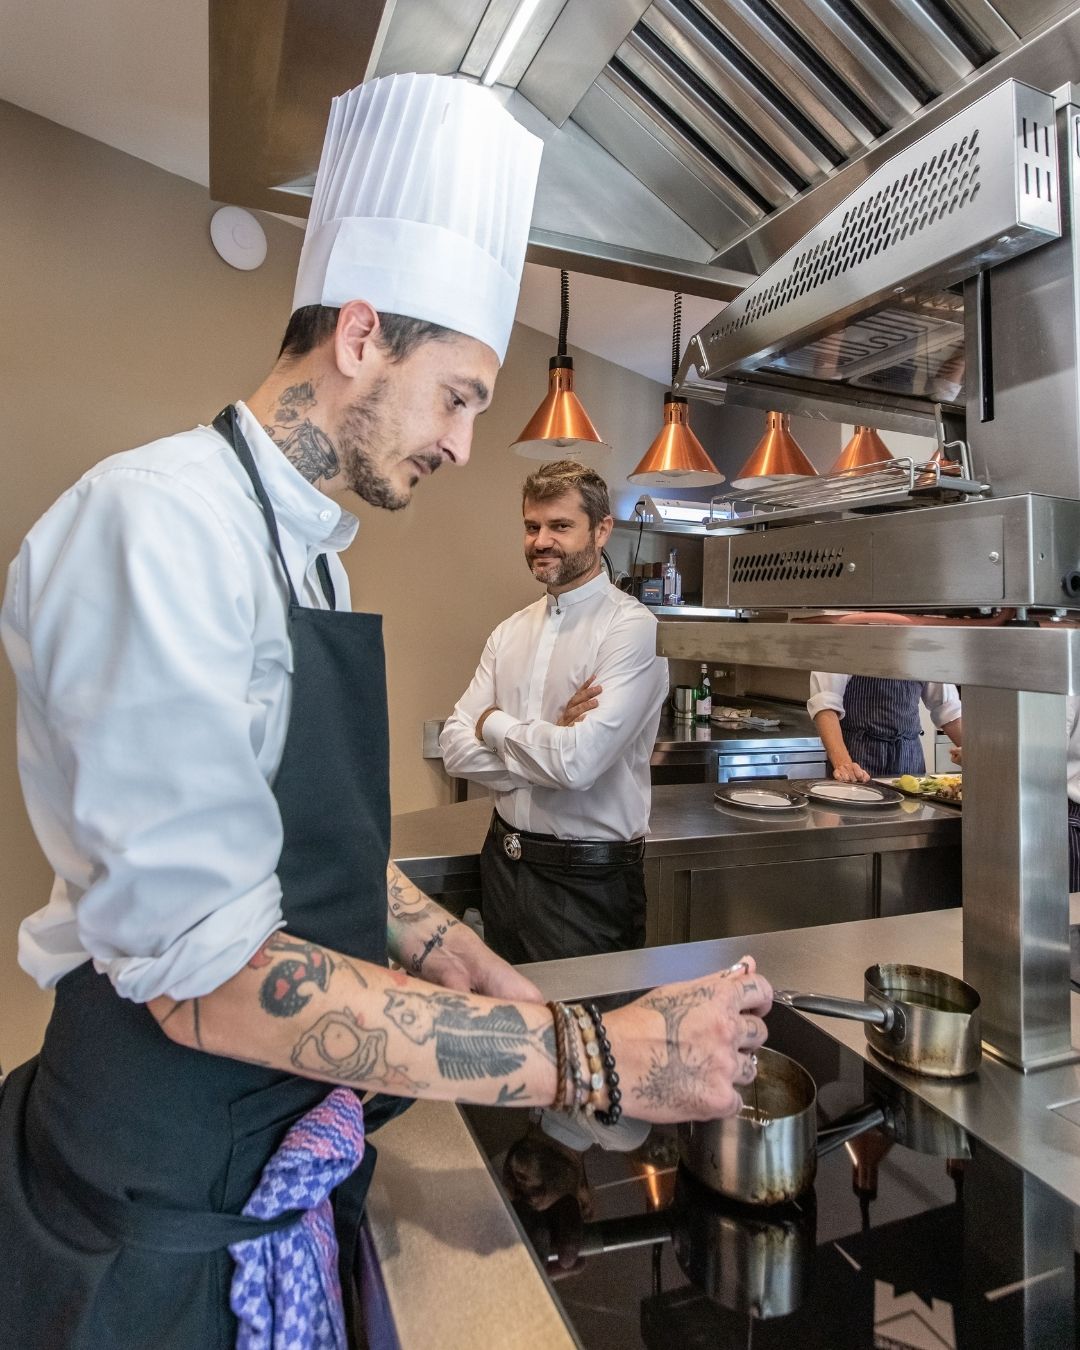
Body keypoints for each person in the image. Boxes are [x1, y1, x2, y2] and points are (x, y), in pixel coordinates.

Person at [0, 73, 772, 1349]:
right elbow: (215, 980)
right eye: (462, 393)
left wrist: (431, 941)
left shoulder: (310, 552)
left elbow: (297, 843)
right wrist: (591, 1058)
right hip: (161, 1198)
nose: (471, 444)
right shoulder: (153, 527)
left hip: (272, 1146)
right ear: (362, 336)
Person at [439, 460, 669, 962]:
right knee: (512, 1031)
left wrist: (492, 723)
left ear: (602, 529)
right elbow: (453, 748)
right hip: (501, 864)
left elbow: (576, 763)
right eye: (532, 526)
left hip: (586, 884)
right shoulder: (509, 631)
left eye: (560, 526)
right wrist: (548, 743)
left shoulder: (631, 630)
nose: (541, 540)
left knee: (587, 1037)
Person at [808, 673, 963, 782]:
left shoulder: (924, 644)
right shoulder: (849, 636)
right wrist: (844, 764)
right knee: (854, 821)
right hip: (858, 753)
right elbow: (825, 706)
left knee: (911, 824)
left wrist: (973, 754)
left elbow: (948, 710)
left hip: (910, 755)